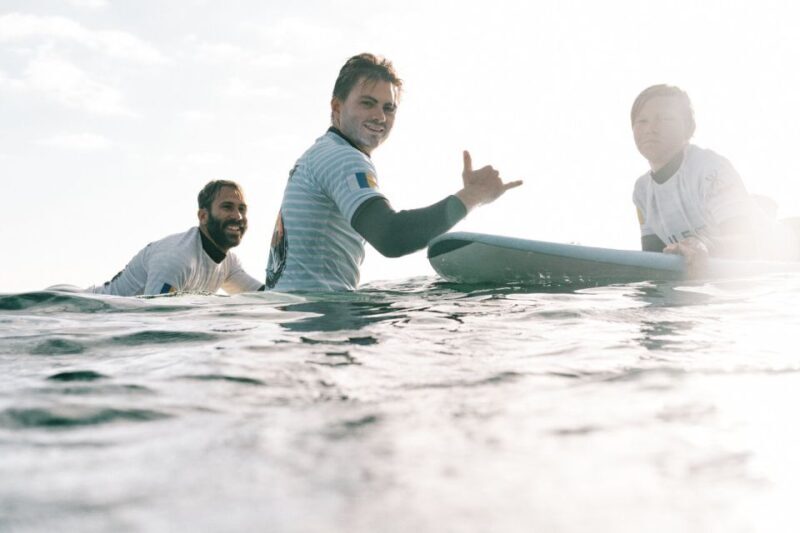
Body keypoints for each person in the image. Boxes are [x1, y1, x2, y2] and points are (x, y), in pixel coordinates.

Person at [266, 53, 522, 291]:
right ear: (336, 107)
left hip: (297, 314)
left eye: (389, 108)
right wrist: (473, 195)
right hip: (317, 316)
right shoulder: (342, 158)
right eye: (368, 103)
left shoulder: (319, 154)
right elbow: (391, 236)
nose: (380, 116)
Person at [629, 84, 788, 273]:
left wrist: (703, 245)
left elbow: (746, 243)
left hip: (784, 252)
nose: (651, 129)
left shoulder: (711, 169)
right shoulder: (642, 191)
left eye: (665, 119)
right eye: (642, 121)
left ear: (689, 128)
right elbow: (653, 257)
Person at [89, 180, 264, 296]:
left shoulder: (228, 263)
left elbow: (264, 298)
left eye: (242, 209)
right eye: (227, 207)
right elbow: (155, 323)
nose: (238, 216)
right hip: (91, 314)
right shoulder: (176, 259)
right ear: (203, 216)